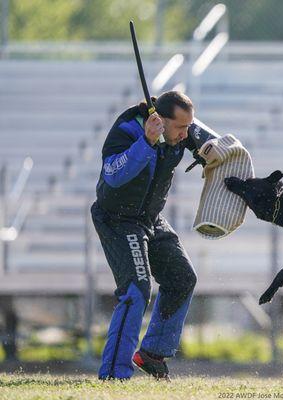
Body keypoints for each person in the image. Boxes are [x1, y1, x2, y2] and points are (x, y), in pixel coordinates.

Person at [91, 91, 198, 380]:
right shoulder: (126, 130)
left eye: (189, 127)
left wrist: (213, 148)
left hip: (150, 219)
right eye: (181, 128)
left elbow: (211, 139)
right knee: (137, 290)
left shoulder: (183, 129)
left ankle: (152, 354)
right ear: (160, 121)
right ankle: (115, 373)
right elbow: (114, 176)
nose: (186, 135)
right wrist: (147, 142)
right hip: (118, 220)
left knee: (183, 278)